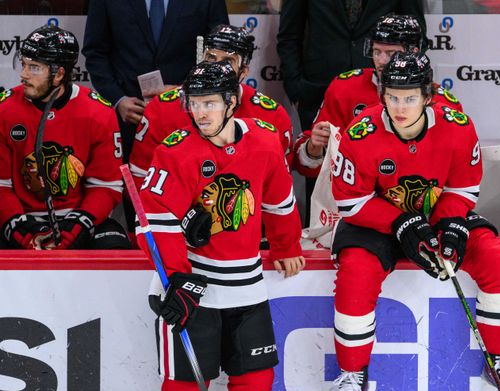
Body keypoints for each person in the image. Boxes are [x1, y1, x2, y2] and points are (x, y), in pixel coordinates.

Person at [137, 61, 305, 391]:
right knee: (185, 390)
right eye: (194, 103)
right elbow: (153, 223)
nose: (201, 112)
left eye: (210, 103)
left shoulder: (265, 140)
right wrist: (178, 277)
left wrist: (288, 246)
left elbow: (278, 200)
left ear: (233, 102)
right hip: (189, 290)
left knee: (254, 386)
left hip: (246, 285)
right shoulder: (175, 152)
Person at [328, 51, 500, 391]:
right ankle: (352, 374)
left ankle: (499, 363)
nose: (400, 106)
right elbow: (350, 201)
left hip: (436, 215)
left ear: (428, 96)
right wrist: (400, 222)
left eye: (409, 98)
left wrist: (450, 224)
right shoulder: (360, 133)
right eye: (392, 97)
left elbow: (464, 187)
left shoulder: (457, 126)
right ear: (382, 95)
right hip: (376, 222)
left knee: (497, 257)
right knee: (356, 272)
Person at [294, 14, 460, 222]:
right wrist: (314, 148)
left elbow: (457, 178)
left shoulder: (444, 102)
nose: (381, 61)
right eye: (376, 51)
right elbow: (308, 168)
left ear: (414, 52)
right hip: (358, 214)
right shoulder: (345, 88)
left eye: (391, 53)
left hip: (424, 215)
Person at [0, 25, 127, 250]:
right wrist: (19, 227)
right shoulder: (5, 109)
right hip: (21, 215)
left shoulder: (99, 113)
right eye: (24, 65)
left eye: (34, 68)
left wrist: (78, 224)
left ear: (59, 74)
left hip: (74, 216)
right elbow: (1, 186)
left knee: (115, 245)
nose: (23, 75)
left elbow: (106, 186)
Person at [129, 24, 293, 184]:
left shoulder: (273, 116)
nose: (216, 68)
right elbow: (140, 175)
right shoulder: (163, 108)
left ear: (243, 72)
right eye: (210, 58)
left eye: (228, 61)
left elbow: (278, 188)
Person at [83, 0, 229, 157]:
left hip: (189, 117)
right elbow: (95, 53)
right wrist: (118, 99)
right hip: (129, 120)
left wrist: (185, 91)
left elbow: (222, 52)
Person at [277, 0, 426, 131]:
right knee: (317, 156)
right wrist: (297, 91)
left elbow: (417, 37)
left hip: (384, 94)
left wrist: (400, 83)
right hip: (318, 91)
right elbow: (289, 37)